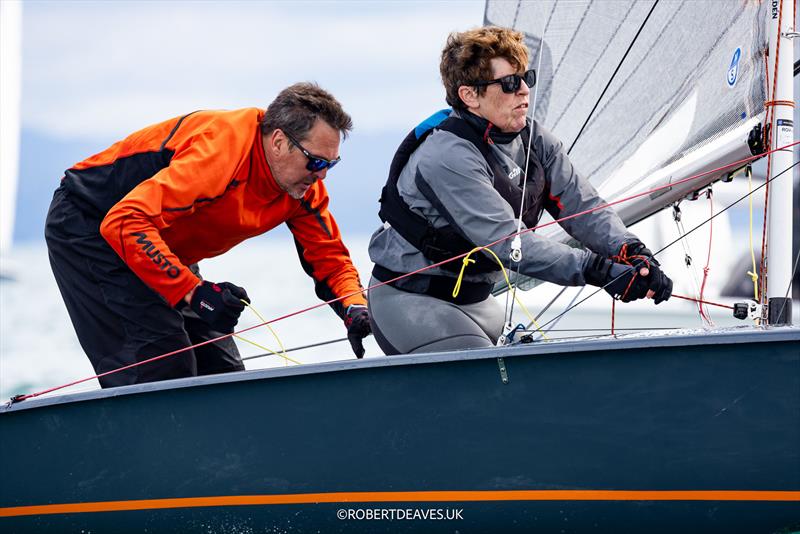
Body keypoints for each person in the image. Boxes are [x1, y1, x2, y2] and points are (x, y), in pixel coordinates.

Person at [367, 27, 672, 355]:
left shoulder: (536, 140)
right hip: (411, 302)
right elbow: (509, 243)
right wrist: (599, 271)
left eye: (526, 78)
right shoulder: (447, 156)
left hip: (479, 304)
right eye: (510, 83)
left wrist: (630, 251)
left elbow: (583, 206)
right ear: (470, 95)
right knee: (486, 388)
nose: (525, 91)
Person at [45, 82, 372, 388]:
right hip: (88, 224)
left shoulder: (302, 187)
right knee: (163, 362)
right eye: (315, 162)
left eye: (331, 164)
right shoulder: (221, 153)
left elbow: (329, 258)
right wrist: (192, 291)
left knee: (223, 374)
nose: (322, 175)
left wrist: (355, 308)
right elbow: (125, 222)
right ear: (278, 142)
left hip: (155, 240)